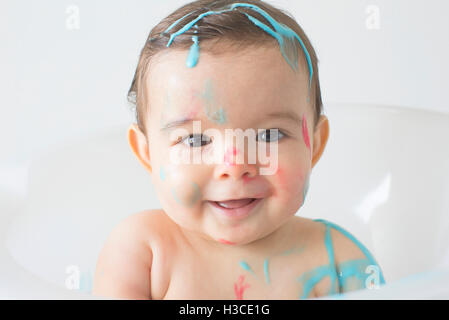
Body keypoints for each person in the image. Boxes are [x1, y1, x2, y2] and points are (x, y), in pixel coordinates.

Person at [92, 0, 386, 299]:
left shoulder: (339, 262)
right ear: (147, 154)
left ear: (315, 144)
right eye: (195, 140)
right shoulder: (144, 252)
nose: (234, 165)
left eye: (268, 135)